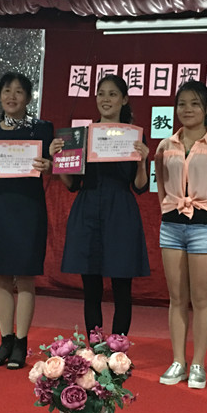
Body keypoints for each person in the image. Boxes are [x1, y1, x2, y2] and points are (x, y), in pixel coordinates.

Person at [49, 75, 150, 337]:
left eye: (113, 94)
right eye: (101, 93)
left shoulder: (134, 135)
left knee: (122, 287)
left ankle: (118, 348)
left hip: (121, 212)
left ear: (124, 100)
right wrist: (58, 158)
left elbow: (140, 186)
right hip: (88, 209)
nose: (106, 99)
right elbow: (72, 184)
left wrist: (142, 161)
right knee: (91, 288)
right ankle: (95, 346)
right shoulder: (82, 136)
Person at [154, 80, 207, 389]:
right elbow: (162, 185)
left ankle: (198, 363)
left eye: (194, 103)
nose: (187, 109)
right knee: (176, 298)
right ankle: (178, 360)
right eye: (182, 104)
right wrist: (167, 210)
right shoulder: (166, 146)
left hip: (205, 226)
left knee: (201, 299)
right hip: (171, 226)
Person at [0, 72, 53, 370]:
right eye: (6, 91)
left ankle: (21, 342)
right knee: (0, 276)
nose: (12, 96)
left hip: (29, 208)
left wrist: (50, 165)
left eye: (19, 91)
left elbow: (58, 166)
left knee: (24, 276)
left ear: (29, 97)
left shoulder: (42, 129)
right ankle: (5, 340)